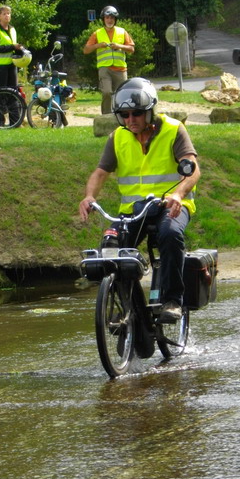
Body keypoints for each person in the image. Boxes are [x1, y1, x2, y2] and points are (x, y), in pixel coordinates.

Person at [78, 78, 200, 323]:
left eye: (136, 113)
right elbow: (100, 172)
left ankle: (173, 300)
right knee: (111, 247)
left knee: (170, 235)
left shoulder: (173, 129)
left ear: (150, 111)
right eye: (124, 114)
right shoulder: (117, 137)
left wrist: (178, 194)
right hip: (134, 210)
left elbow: (193, 168)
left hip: (171, 205)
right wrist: (89, 196)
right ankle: (129, 307)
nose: (130, 119)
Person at [82, 5, 135, 115]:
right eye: (107, 18)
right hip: (104, 69)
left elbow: (131, 49)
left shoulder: (122, 31)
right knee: (107, 92)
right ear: (103, 19)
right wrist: (98, 45)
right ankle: (106, 116)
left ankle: (123, 116)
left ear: (115, 20)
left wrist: (119, 46)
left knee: (122, 94)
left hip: (120, 69)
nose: (109, 20)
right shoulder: (97, 33)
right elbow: (86, 50)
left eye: (112, 18)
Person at [0, 5, 25, 90]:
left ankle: (14, 104)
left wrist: (20, 50)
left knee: (13, 91)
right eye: (4, 14)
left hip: (11, 64)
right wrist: (13, 46)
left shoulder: (12, 29)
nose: (7, 15)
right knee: (2, 92)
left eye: (8, 13)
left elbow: (13, 47)